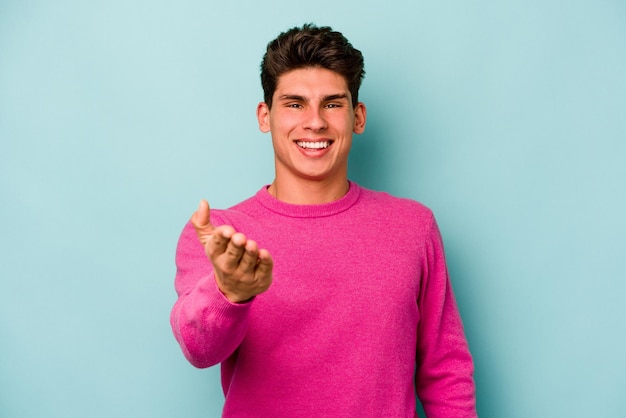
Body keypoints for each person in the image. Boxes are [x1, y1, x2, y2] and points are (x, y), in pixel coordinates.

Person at [170, 23, 477, 417]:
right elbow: (199, 350)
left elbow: (445, 368)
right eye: (294, 104)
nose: (314, 122)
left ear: (358, 117)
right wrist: (230, 291)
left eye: (332, 104)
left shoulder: (413, 226)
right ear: (265, 116)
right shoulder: (224, 237)